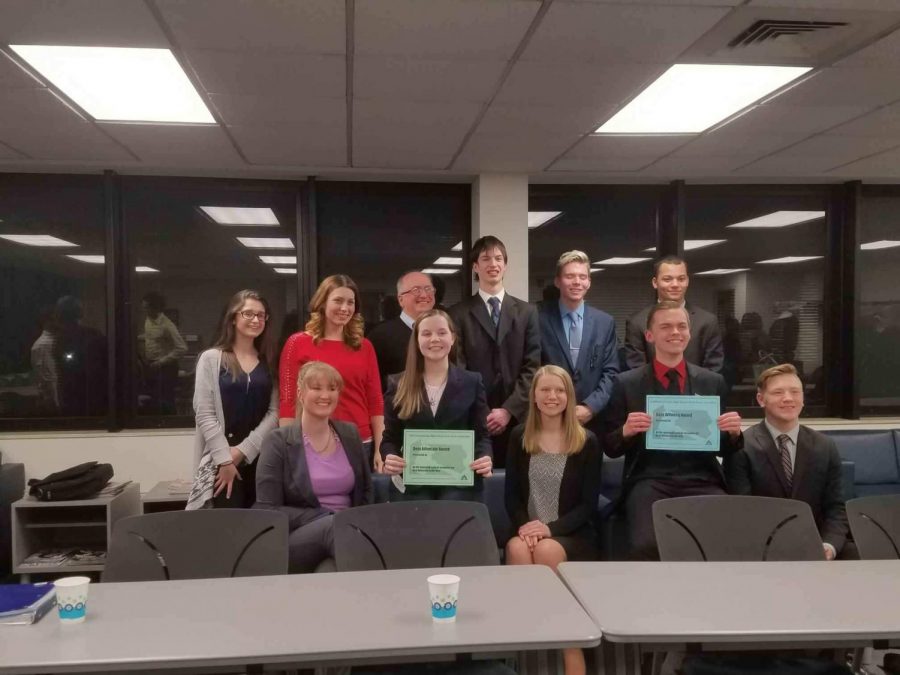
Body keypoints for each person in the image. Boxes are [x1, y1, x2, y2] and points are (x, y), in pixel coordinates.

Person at [604, 301, 743, 560]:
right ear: (650, 335)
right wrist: (626, 431)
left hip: (703, 479)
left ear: (689, 334)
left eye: (681, 326)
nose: (675, 332)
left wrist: (733, 433)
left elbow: (724, 446)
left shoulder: (712, 381)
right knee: (647, 545)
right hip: (649, 480)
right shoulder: (627, 384)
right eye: (665, 326)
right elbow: (610, 447)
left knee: (723, 544)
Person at [505, 365, 601, 675]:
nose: (552, 396)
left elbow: (588, 506)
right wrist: (527, 527)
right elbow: (512, 498)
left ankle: (568, 645)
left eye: (559, 390)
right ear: (533, 396)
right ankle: (523, 653)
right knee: (518, 549)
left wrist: (549, 529)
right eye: (545, 389)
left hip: (572, 532)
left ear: (569, 397)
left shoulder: (587, 441)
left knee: (546, 551)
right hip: (527, 529)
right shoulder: (520, 436)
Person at [724, 363, 853, 560]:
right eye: (778, 392)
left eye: (795, 392)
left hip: (815, 544)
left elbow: (836, 507)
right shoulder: (741, 447)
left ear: (803, 398)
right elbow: (742, 511)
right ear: (761, 399)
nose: (788, 398)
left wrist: (829, 545)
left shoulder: (825, 446)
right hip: (763, 549)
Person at [255, 361, 372, 573]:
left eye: (332, 389)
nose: (325, 395)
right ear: (301, 393)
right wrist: (325, 516)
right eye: (316, 388)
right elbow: (267, 510)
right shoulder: (278, 441)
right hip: (294, 538)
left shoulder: (350, 434)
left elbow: (365, 491)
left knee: (329, 571)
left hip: (345, 536)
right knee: (334, 528)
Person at [381, 309, 493, 500]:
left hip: (460, 488)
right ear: (416, 340)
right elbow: (389, 439)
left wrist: (485, 457)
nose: (434, 339)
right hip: (413, 489)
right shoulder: (397, 384)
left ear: (453, 338)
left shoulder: (472, 382)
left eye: (442, 333)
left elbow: (482, 436)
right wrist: (389, 457)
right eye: (426, 333)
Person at [450, 236, 541, 468]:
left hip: (519, 418)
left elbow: (533, 367)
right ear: (475, 267)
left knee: (517, 485)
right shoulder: (458, 313)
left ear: (505, 265)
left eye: (499, 258)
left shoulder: (527, 312)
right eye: (486, 258)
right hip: (475, 418)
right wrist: (483, 411)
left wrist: (509, 410)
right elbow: (458, 369)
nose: (493, 264)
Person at [279, 275, 384, 472]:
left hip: (360, 443)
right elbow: (288, 401)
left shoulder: (365, 347)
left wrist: (380, 448)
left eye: (350, 302)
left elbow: (375, 402)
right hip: (311, 441)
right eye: (338, 300)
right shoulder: (297, 343)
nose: (345, 308)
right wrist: (287, 448)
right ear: (322, 303)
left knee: (360, 502)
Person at [186, 290, 279, 510]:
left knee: (263, 527)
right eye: (248, 313)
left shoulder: (270, 360)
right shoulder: (211, 359)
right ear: (233, 318)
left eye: (261, 315)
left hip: (262, 458)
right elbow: (204, 413)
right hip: (221, 461)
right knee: (227, 530)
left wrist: (243, 451)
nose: (256, 320)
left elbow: (275, 412)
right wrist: (225, 460)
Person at [538, 250, 619, 435]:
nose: (577, 282)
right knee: (549, 465)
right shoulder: (537, 318)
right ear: (558, 281)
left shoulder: (604, 322)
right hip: (547, 421)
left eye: (583, 277)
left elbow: (611, 372)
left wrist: (590, 407)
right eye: (570, 276)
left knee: (588, 465)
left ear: (589, 282)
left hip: (591, 424)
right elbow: (531, 368)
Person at [624, 256, 723, 373]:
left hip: (698, 390)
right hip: (650, 390)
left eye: (681, 279)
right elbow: (635, 373)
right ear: (655, 283)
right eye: (667, 279)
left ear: (687, 281)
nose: (675, 284)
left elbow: (713, 371)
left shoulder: (707, 322)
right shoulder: (637, 322)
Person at [368, 270, 435, 392]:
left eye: (428, 289)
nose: (424, 295)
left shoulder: (445, 331)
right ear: (400, 300)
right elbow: (372, 384)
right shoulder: (380, 336)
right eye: (416, 290)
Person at [140, 291, 188, 414]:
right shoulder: (148, 320)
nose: (144, 310)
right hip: (152, 365)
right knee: (153, 398)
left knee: (165, 399)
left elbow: (182, 348)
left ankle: (170, 424)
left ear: (155, 308)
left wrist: (161, 361)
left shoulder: (167, 325)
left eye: (146, 307)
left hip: (165, 367)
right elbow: (152, 338)